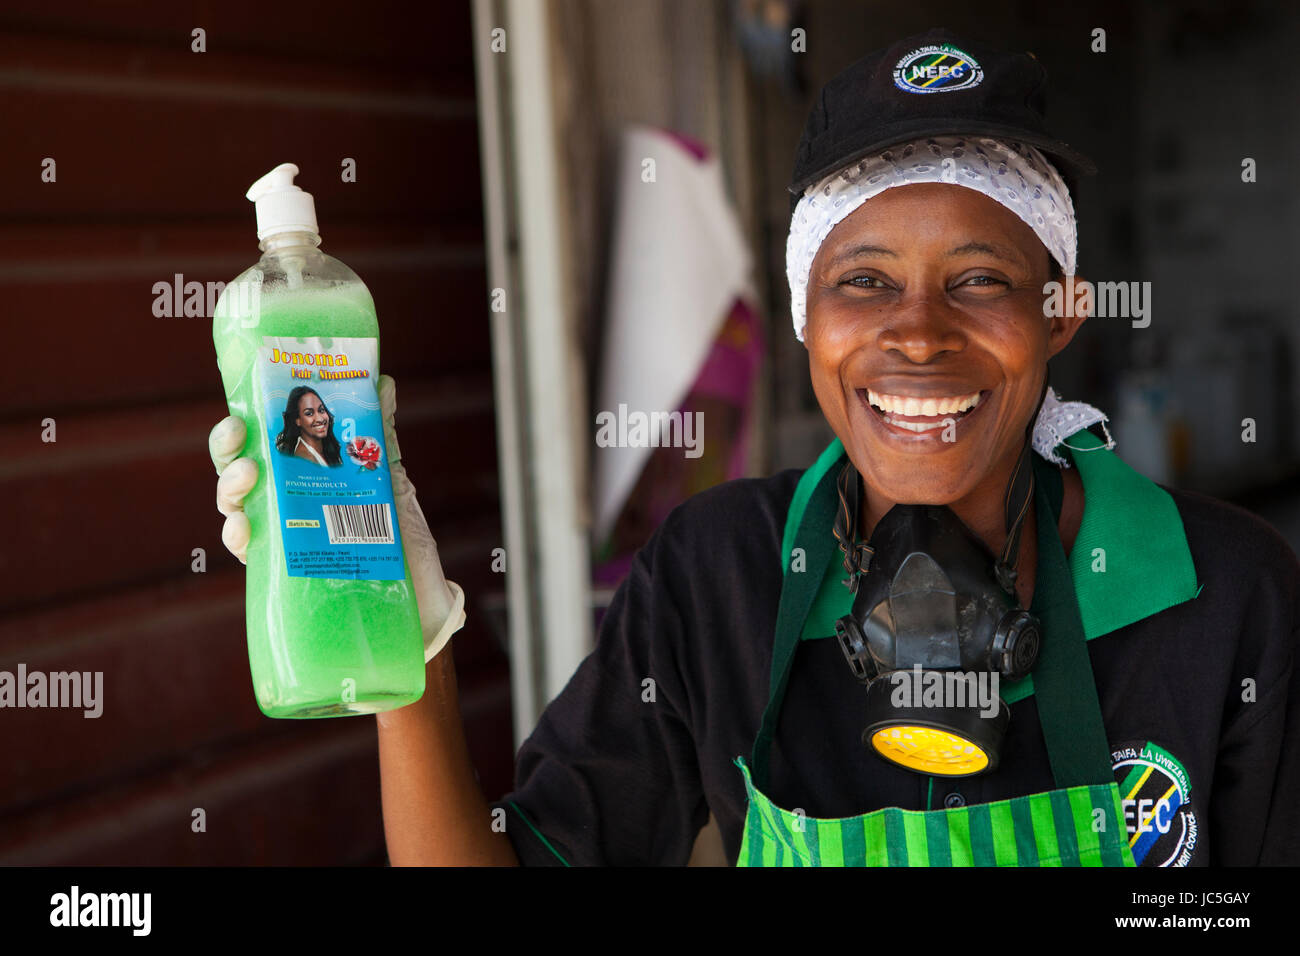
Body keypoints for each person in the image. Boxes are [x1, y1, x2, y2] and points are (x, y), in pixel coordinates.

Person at [208, 28, 1300, 866]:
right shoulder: (716, 575)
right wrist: (400, 636)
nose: (916, 332)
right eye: (862, 280)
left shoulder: (1225, 594)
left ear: (1061, 310)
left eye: (981, 279)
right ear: (803, 318)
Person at [275, 386, 342, 467]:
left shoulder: (325, 449)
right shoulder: (306, 458)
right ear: (297, 420)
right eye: (309, 413)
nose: (320, 419)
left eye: (321, 410)